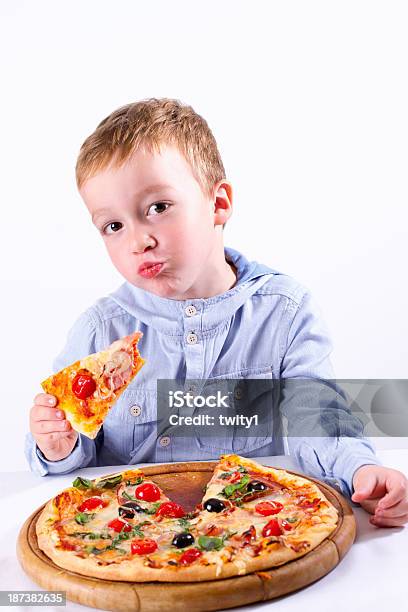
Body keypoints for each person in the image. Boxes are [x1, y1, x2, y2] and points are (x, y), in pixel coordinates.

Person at [25, 98, 407, 528]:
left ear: (218, 203)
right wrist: (57, 444)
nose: (138, 240)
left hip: (259, 526)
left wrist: (360, 469)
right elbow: (70, 455)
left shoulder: (284, 313)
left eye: (158, 207)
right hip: (127, 536)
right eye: (113, 226)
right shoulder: (100, 331)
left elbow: (317, 419)